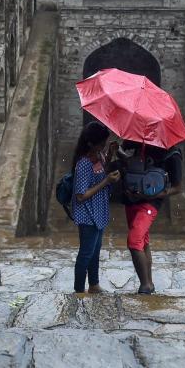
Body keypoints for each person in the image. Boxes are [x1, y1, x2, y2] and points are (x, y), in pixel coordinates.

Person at [116, 140, 183, 294]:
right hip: (131, 199)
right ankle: (150, 283)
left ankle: (145, 285)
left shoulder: (172, 154)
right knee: (143, 241)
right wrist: (120, 154)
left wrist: (154, 194)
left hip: (150, 203)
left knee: (134, 241)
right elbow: (126, 155)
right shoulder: (138, 141)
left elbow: (178, 187)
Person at [69, 121, 120, 294]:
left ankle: (94, 284)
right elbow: (81, 195)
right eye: (101, 143)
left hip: (99, 211)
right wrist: (106, 181)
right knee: (86, 253)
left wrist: (111, 156)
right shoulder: (84, 163)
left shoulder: (99, 157)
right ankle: (78, 289)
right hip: (88, 214)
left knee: (95, 251)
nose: (103, 146)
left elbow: (103, 174)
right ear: (91, 143)